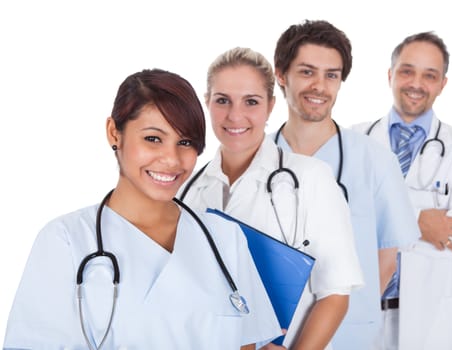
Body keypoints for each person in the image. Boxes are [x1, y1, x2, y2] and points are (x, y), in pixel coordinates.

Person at [3, 69, 282, 349]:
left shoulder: (225, 238)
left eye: (185, 142)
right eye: (153, 138)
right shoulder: (66, 240)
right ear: (115, 133)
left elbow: (247, 343)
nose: (172, 159)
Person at [179, 47, 363, 350]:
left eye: (251, 101)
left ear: (270, 106)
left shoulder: (310, 179)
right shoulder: (188, 192)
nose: (235, 115)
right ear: (206, 103)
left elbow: (335, 293)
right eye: (222, 100)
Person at [271, 20, 419, 349]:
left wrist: (351, 315)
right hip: (272, 337)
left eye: (331, 75)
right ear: (281, 74)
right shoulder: (258, 159)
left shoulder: (375, 160)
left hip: (349, 336)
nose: (319, 86)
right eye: (307, 72)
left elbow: (386, 260)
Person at [353, 32, 452, 349]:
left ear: (442, 84)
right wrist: (419, 221)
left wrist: (377, 218)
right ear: (390, 75)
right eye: (407, 71)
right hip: (362, 313)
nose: (416, 83)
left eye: (429, 75)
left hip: (435, 320)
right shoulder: (353, 141)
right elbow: (338, 221)